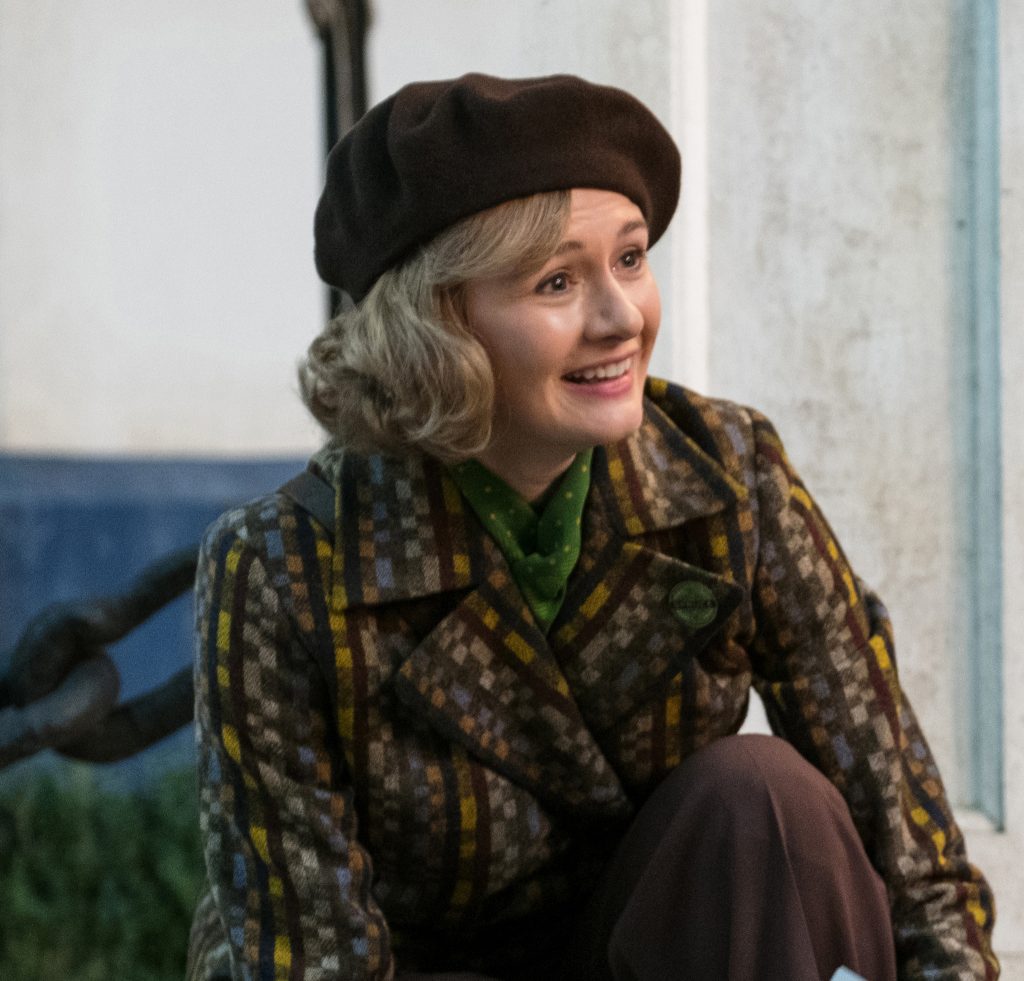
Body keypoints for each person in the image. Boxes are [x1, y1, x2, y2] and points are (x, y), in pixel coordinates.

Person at [187, 73, 998, 980]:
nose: (621, 319)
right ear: (435, 325)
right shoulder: (282, 568)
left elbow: (912, 855)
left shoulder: (732, 473)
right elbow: (309, 957)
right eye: (558, 281)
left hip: (668, 949)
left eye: (631, 258)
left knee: (761, 796)